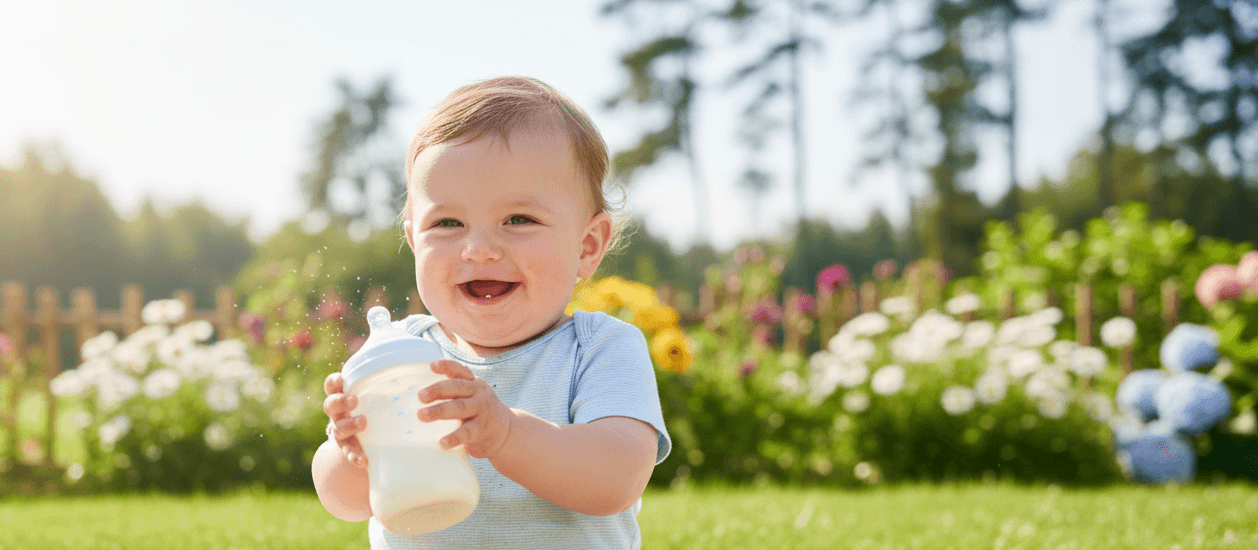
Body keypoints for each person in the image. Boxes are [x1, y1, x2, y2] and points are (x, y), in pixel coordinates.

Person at [312, 76, 672, 549]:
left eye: (518, 219)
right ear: (414, 241)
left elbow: (617, 479)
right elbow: (345, 502)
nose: (479, 249)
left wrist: (507, 435)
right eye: (448, 223)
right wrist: (355, 454)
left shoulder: (599, 348)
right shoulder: (401, 355)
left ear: (586, 247)